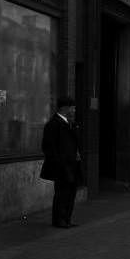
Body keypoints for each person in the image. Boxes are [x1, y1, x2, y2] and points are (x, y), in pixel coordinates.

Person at [40, 97, 83, 228]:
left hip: (72, 165)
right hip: (62, 166)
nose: (74, 110)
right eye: (73, 108)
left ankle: (67, 219)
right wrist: (59, 163)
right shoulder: (53, 124)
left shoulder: (70, 123)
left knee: (71, 193)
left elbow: (74, 143)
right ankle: (59, 220)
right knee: (61, 193)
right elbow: (48, 147)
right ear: (65, 108)